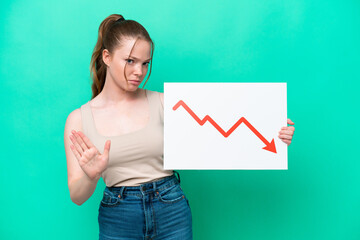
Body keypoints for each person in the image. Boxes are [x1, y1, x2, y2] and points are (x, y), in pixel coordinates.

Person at [64, 14, 295, 240]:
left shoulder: (167, 103)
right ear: (106, 56)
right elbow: (77, 195)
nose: (139, 72)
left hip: (170, 209)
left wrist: (273, 131)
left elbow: (227, 129)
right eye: (130, 61)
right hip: (118, 216)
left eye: (145, 63)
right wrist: (92, 175)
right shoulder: (79, 119)